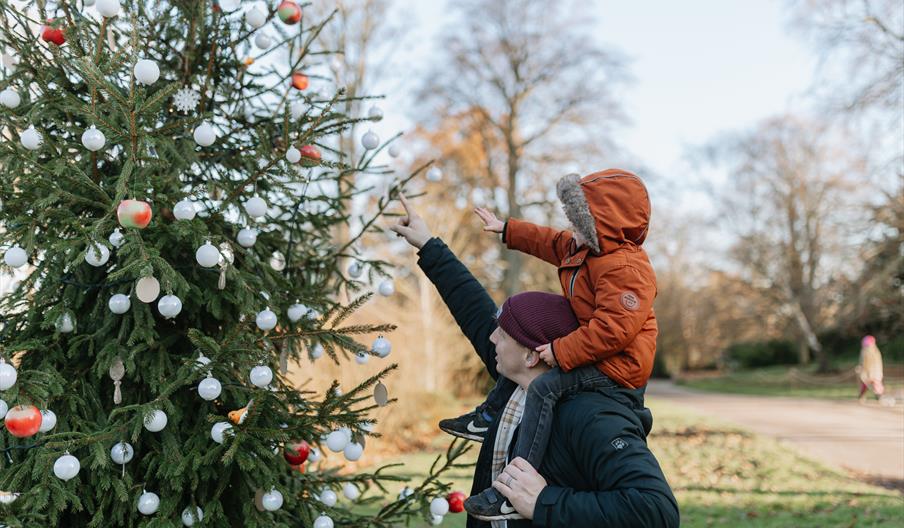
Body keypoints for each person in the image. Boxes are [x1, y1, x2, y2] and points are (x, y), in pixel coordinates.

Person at [390, 194, 679, 527]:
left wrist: (545, 502)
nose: (492, 337)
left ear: (532, 354)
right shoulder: (514, 385)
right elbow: (472, 305)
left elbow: (656, 511)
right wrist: (428, 244)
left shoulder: (592, 416)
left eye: (503, 332)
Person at [857, 335, 884, 402]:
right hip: (871, 372)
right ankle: (863, 396)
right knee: (867, 384)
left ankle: (878, 395)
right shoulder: (873, 352)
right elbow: (864, 363)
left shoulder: (870, 352)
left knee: (874, 384)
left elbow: (866, 363)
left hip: (873, 372)